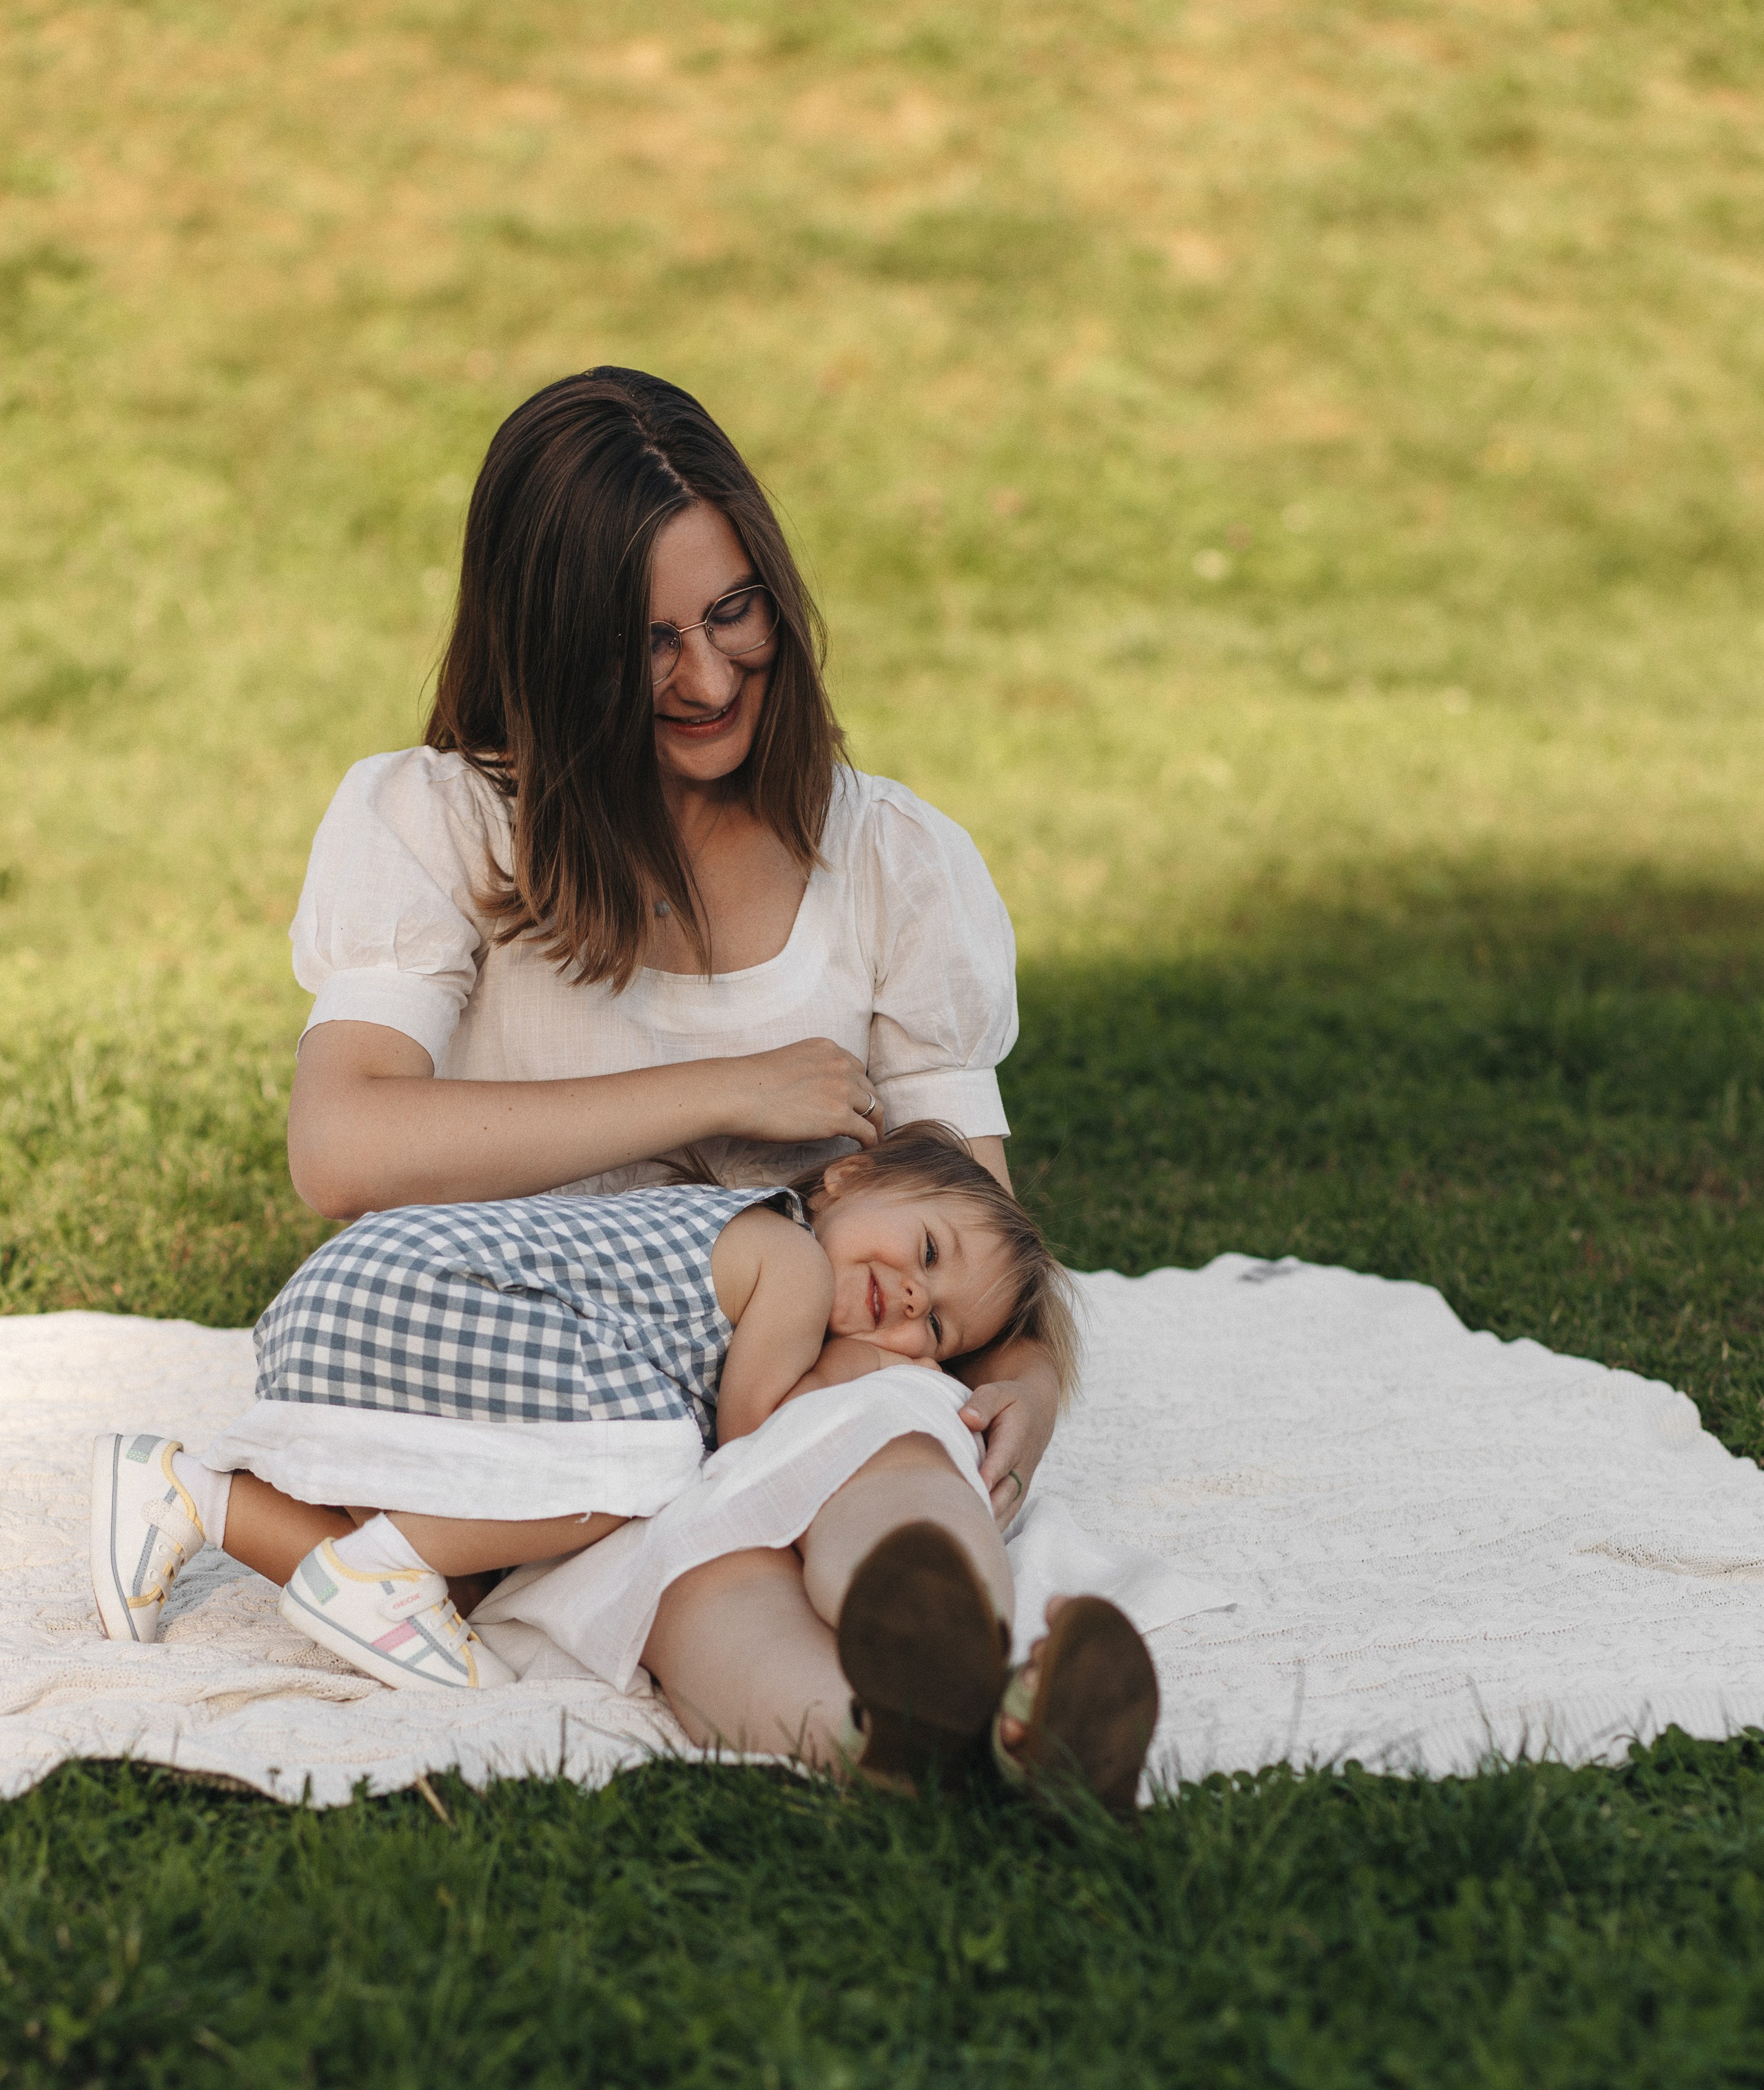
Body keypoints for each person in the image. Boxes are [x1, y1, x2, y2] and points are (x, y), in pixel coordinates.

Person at [95, 366, 1155, 1801]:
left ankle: (995, 1684)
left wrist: (1023, 1384)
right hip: (544, 1426)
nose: (709, 681)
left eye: (732, 615)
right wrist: (722, 1091)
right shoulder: (443, 826)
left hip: (807, 1406)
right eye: (645, 644)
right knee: (690, 1571)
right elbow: (339, 1147)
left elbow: (976, 1235)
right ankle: (887, 1750)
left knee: (898, 1446)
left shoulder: (896, 867)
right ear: (548, 651)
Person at [92, 1127, 1153, 1796]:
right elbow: (749, 1439)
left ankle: (906, 1730)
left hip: (409, 1337)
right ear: (847, 1175)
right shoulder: (778, 1252)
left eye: (943, 1330)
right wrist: (836, 1376)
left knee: (878, 1451)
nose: (916, 1306)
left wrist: (911, 1373)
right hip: (471, 1329)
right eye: (925, 1254)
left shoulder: (862, 1353)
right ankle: (955, 1651)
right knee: (661, 1466)